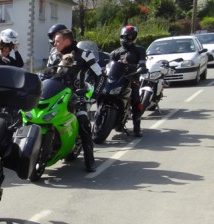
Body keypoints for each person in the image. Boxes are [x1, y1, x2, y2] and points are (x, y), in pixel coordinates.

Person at [45, 29, 103, 172]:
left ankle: (90, 161)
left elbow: (100, 75)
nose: (54, 43)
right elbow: (46, 75)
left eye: (57, 41)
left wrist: (95, 94)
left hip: (78, 96)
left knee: (83, 123)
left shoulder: (85, 54)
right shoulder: (54, 55)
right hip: (57, 94)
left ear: (66, 41)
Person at [110, 25, 148, 137]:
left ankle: (137, 128)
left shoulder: (139, 50)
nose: (127, 39)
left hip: (131, 79)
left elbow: (142, 62)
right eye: (125, 36)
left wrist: (140, 67)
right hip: (116, 79)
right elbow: (109, 65)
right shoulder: (115, 52)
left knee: (136, 101)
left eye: (130, 37)